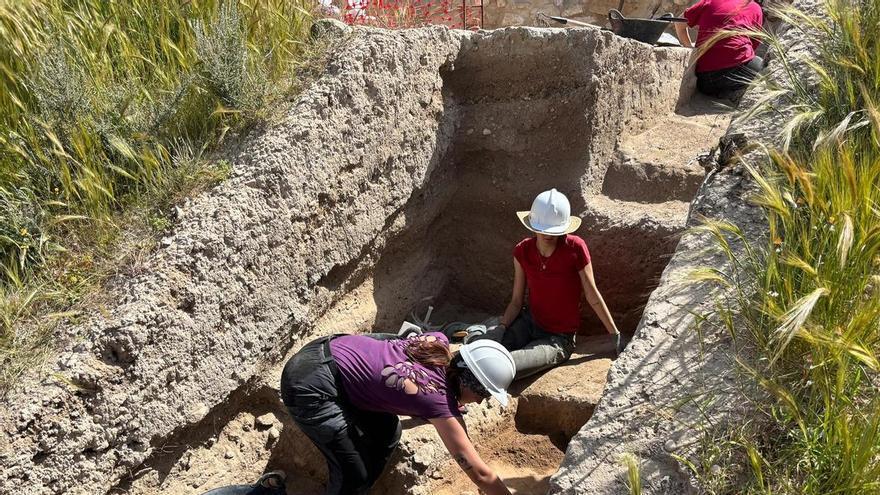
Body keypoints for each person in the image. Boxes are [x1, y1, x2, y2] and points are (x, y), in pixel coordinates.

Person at [280, 332, 516, 495]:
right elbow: (481, 475)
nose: (480, 402)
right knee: (354, 476)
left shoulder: (437, 343)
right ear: (468, 384)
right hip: (309, 386)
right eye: (483, 395)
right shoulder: (436, 401)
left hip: (329, 351)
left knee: (388, 433)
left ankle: (363, 489)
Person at [469, 188, 620, 379]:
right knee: (480, 352)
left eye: (554, 231)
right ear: (532, 226)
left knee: (503, 368)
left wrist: (615, 334)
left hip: (558, 338)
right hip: (529, 322)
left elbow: (592, 295)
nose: (548, 235)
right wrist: (501, 328)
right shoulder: (523, 251)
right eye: (542, 230)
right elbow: (516, 301)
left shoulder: (575, 248)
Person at [674, 0, 765, 100]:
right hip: (739, 69)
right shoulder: (755, 8)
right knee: (763, 66)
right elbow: (753, 46)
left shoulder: (710, 1)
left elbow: (678, 22)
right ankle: (733, 92)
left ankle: (724, 92)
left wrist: (691, 51)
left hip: (706, 80)